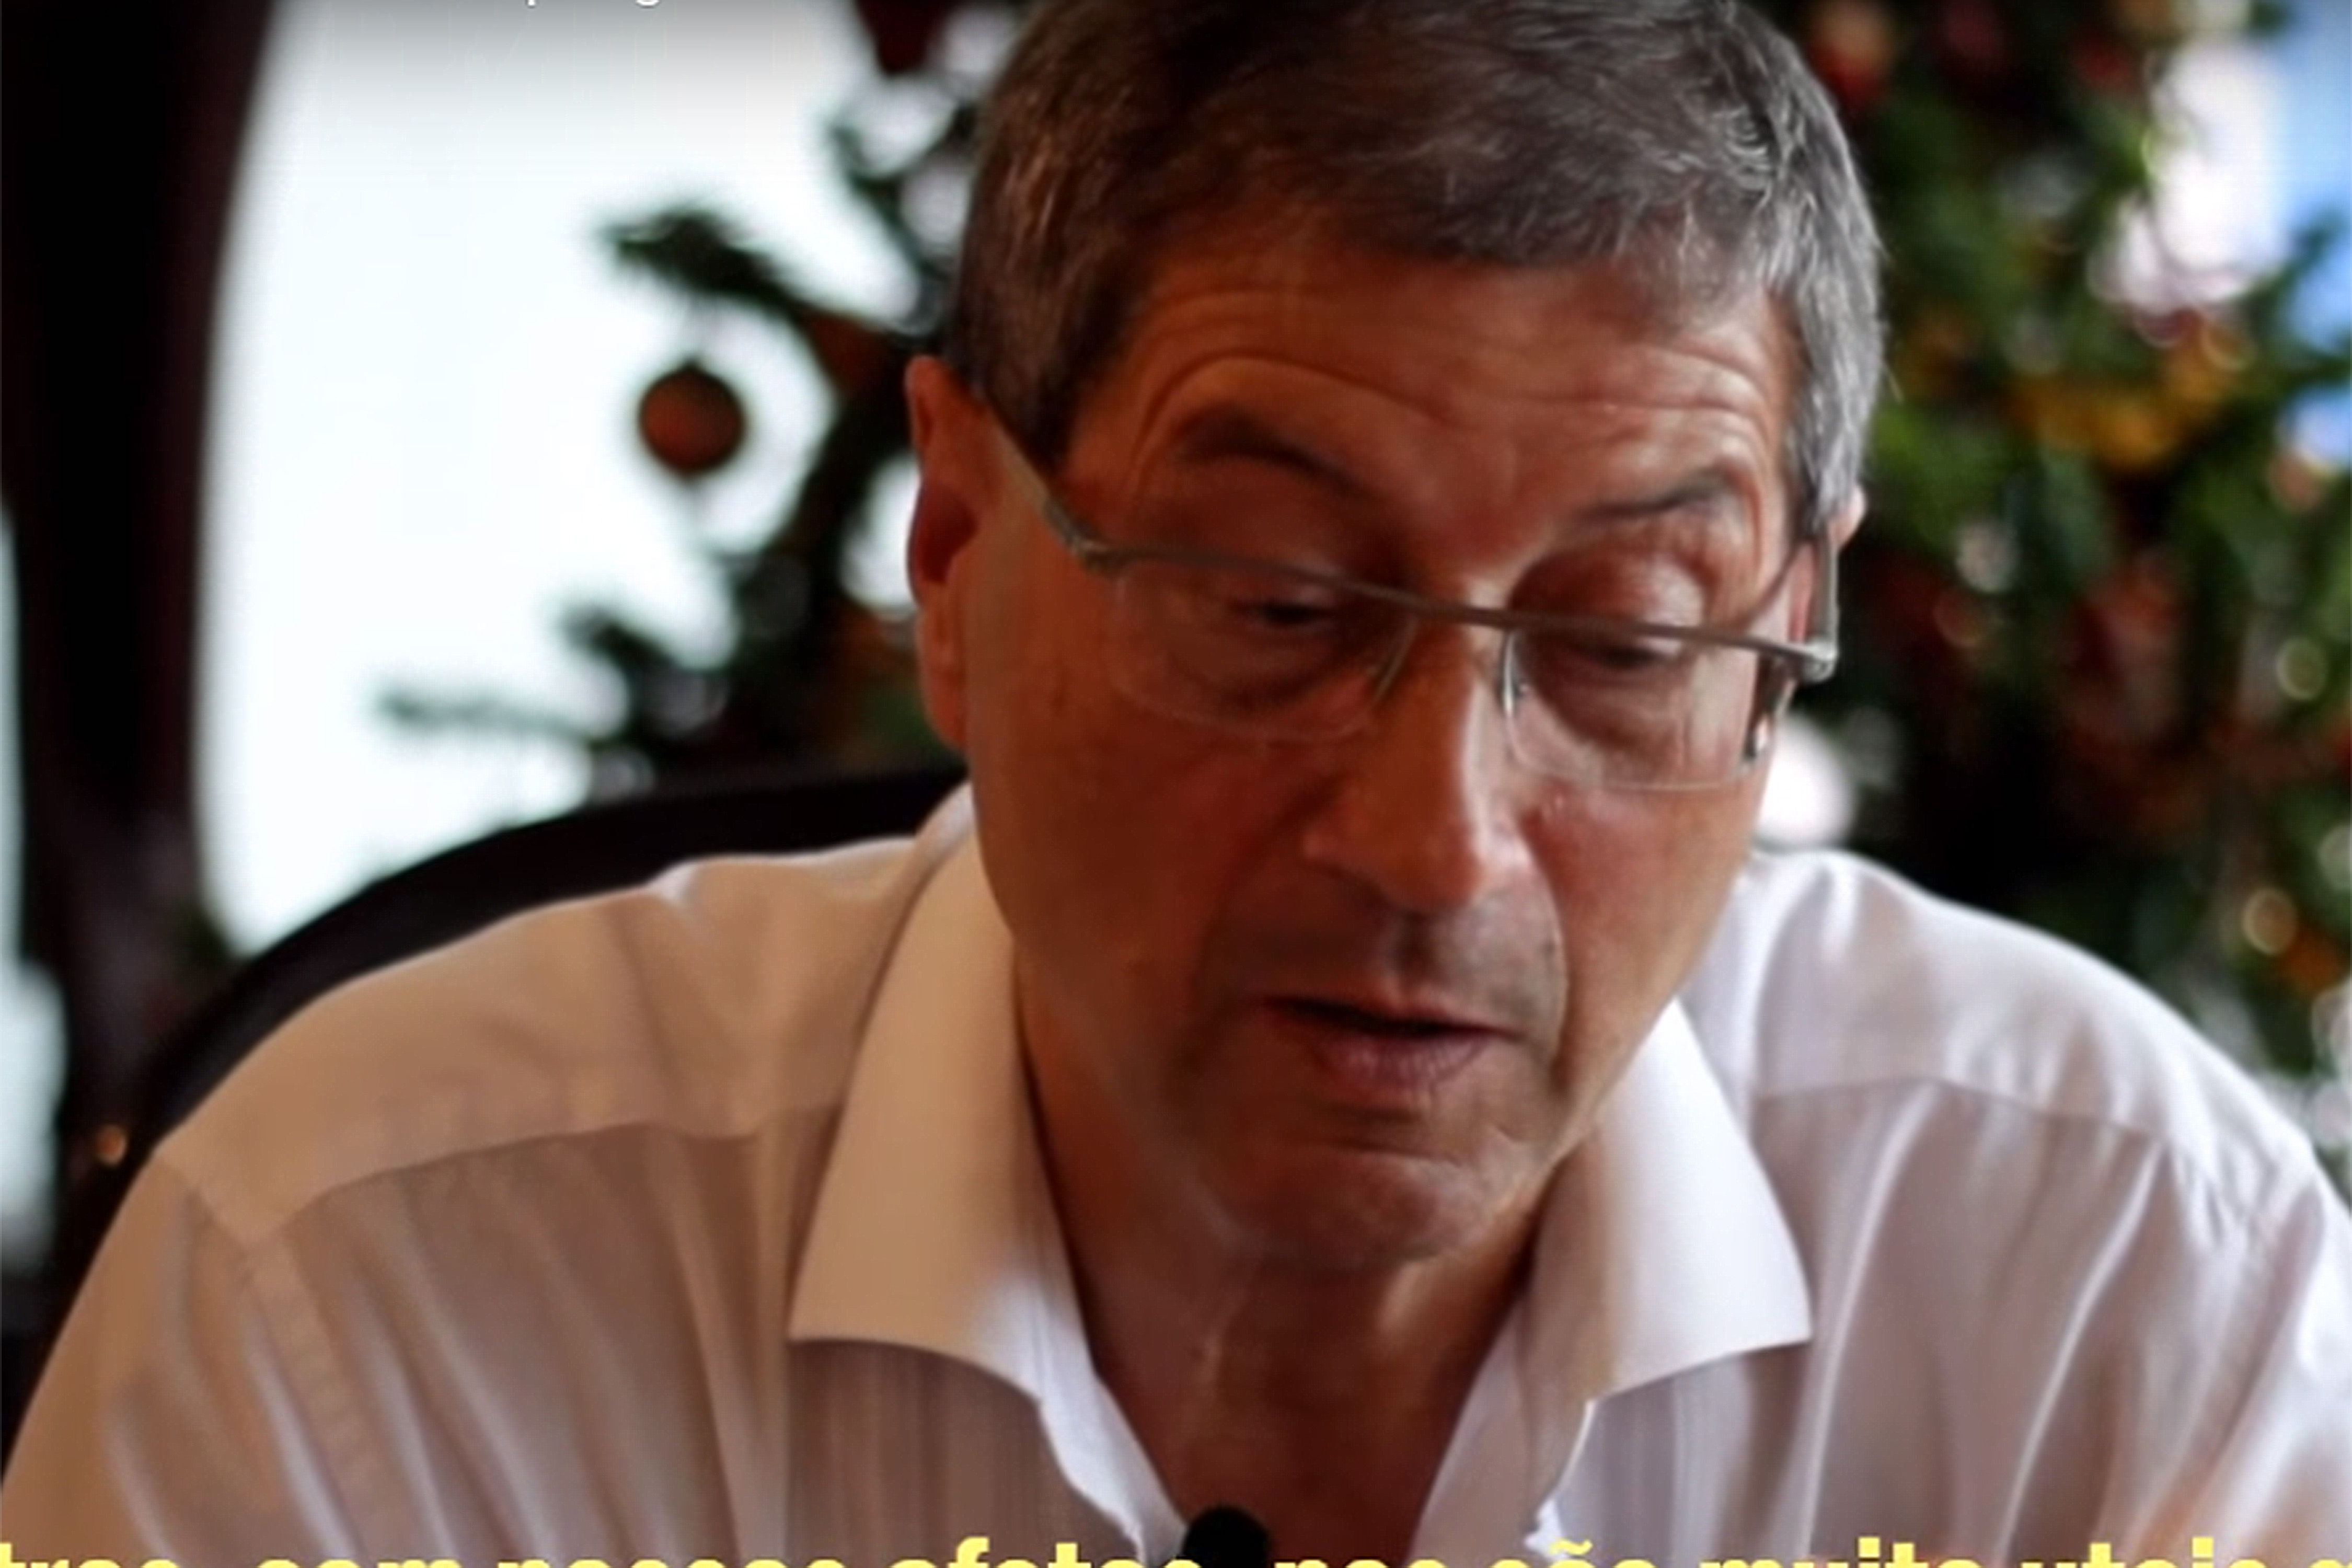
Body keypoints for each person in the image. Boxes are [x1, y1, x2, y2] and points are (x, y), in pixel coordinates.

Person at [6, 0, 2348, 1561]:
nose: (1434, 842)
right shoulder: (365, 1296)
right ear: (954, 547)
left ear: (1789, 630)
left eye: (1628, 644)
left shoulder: (2119, 1281)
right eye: (1276, 603)